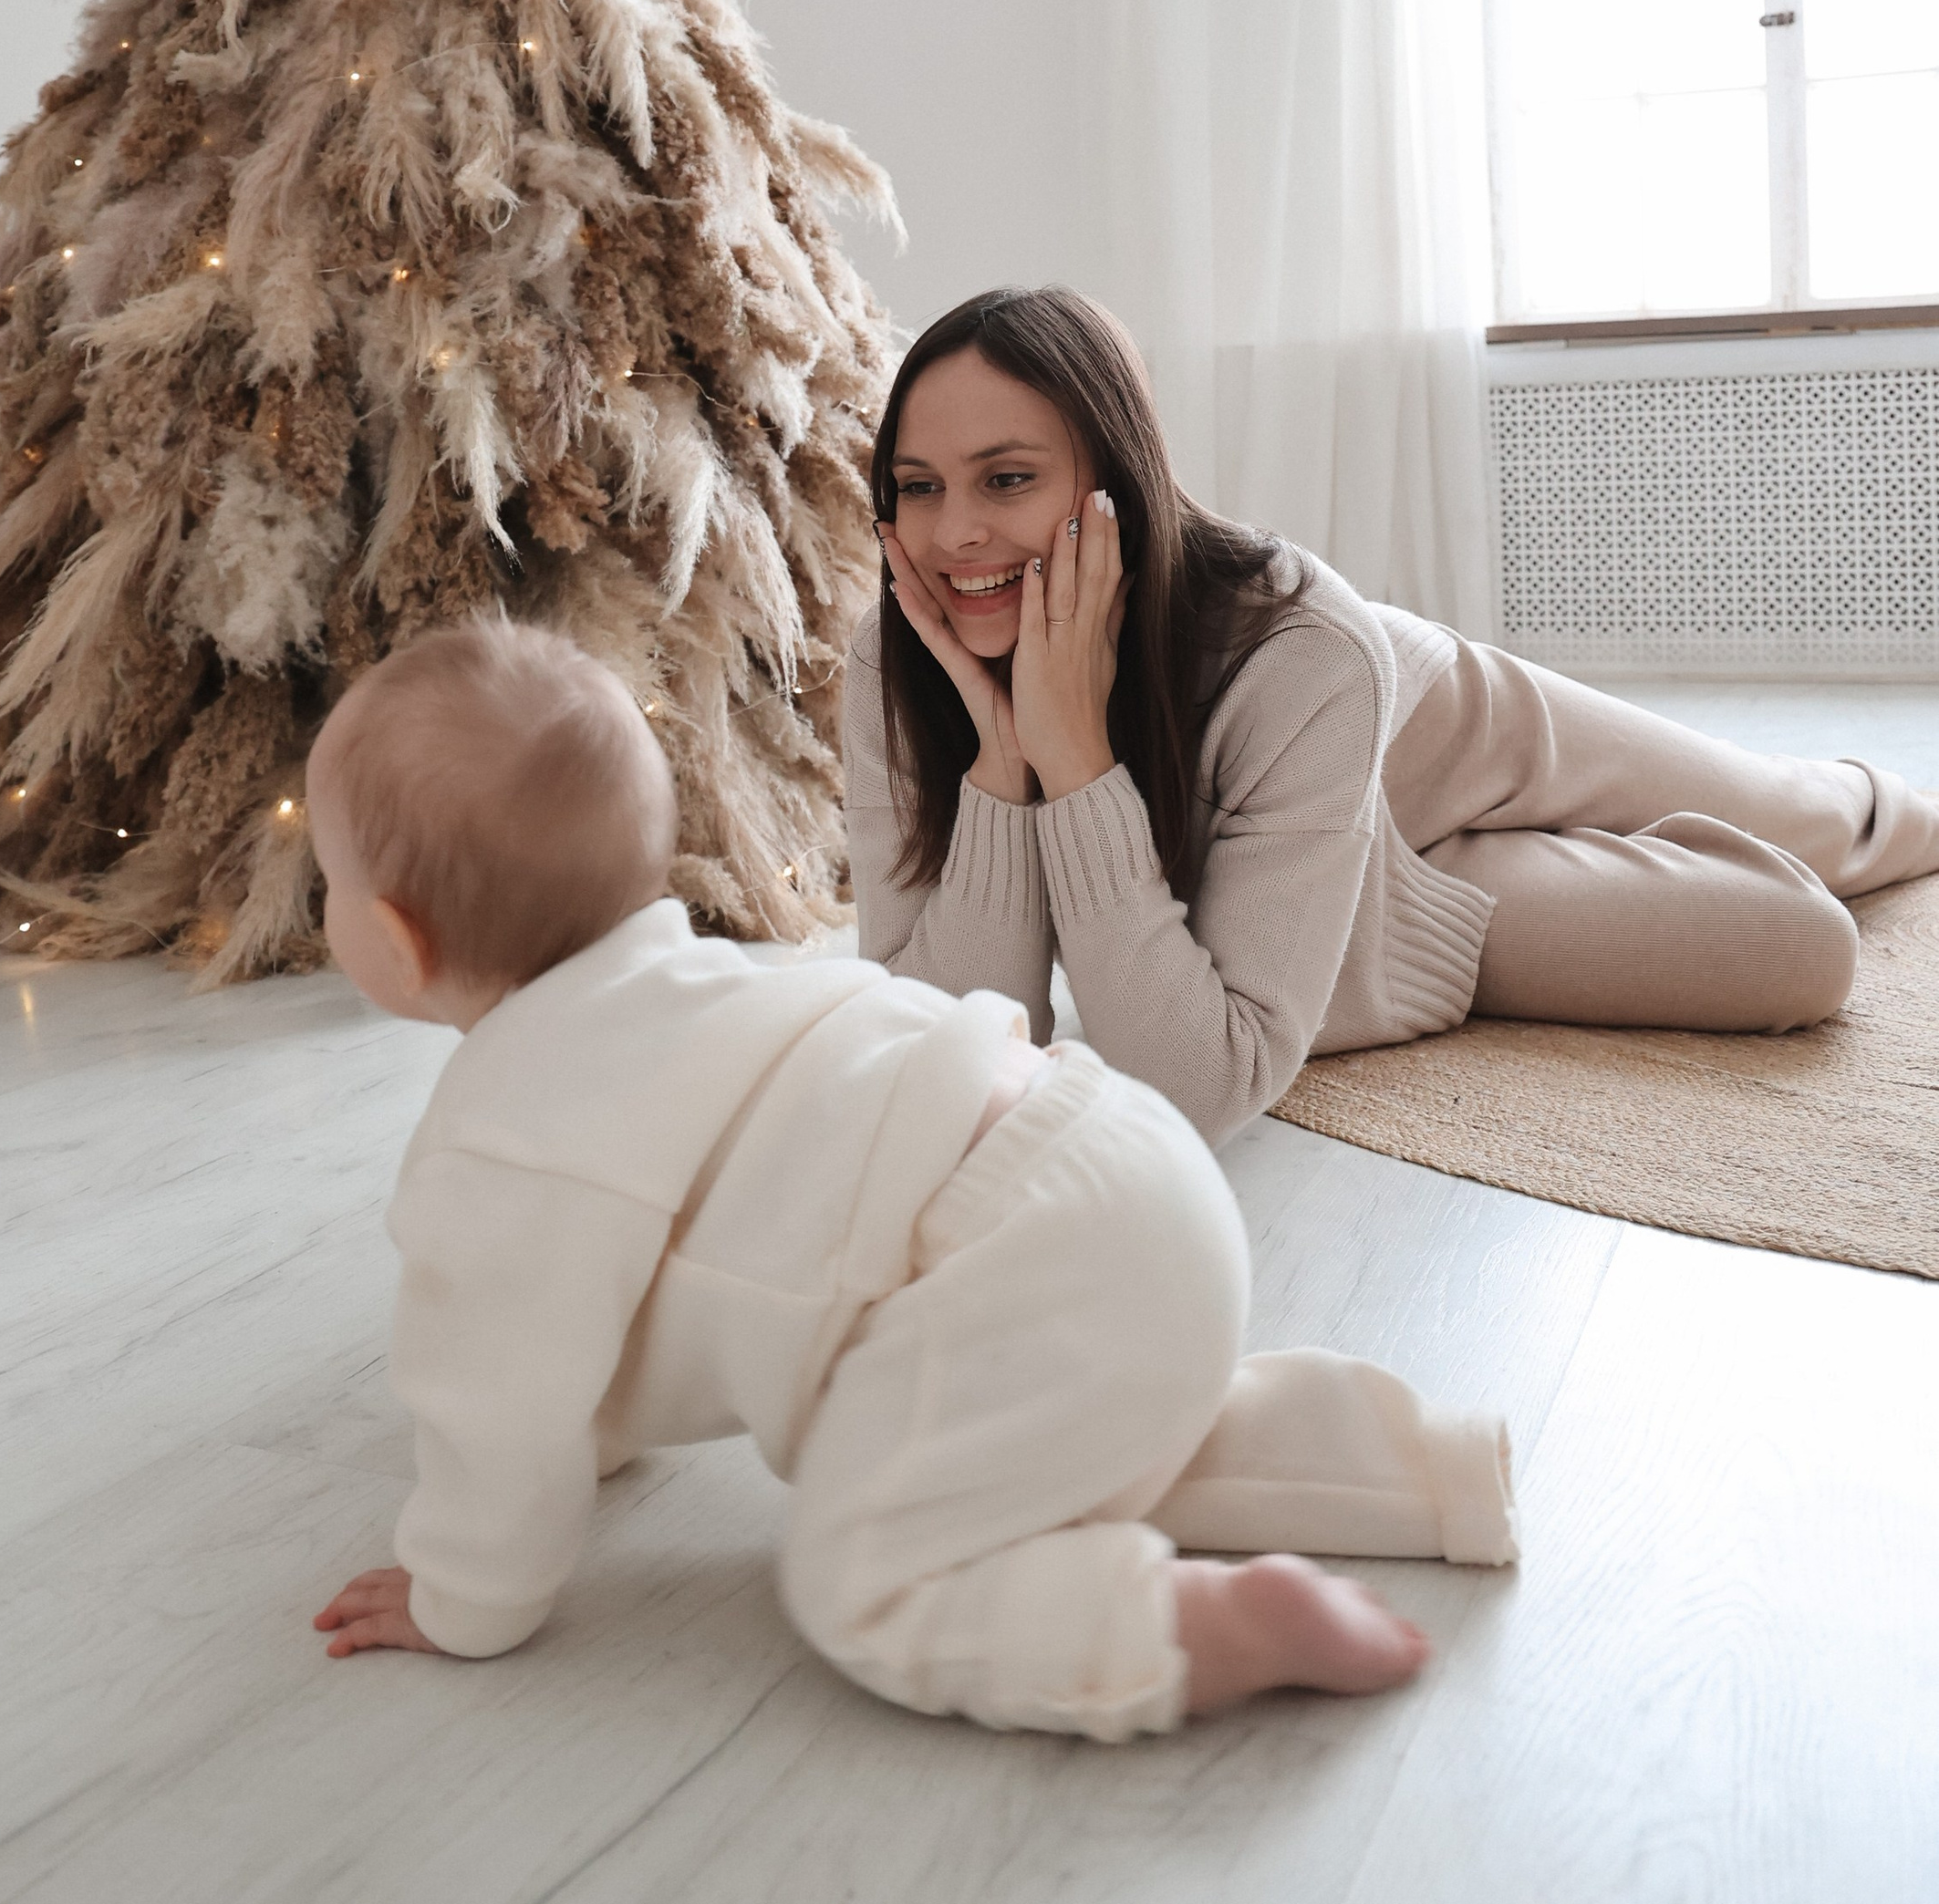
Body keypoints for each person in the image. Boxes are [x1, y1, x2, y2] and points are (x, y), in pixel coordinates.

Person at [303, 618, 1517, 1744]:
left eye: (328, 881)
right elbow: (604, 1316)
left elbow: (501, 1413)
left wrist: (461, 1595)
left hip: (1006, 1259)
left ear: (400, 941)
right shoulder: (705, 988)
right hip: (1122, 1158)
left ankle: (1181, 1629)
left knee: (866, 1576)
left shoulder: (497, 1147)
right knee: (1093, 1436)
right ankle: (1416, 1470)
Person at [847, 285, 1939, 1146]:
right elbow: (966, 1050)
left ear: (1116, 485)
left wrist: (1076, 760)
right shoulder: (898, 660)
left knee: (1810, 818)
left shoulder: (1299, 644)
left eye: (1006, 480)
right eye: (919, 485)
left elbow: (1170, 1070)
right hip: (1355, 878)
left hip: (1423, 726)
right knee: (1803, 951)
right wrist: (1007, 761)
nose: (953, 535)